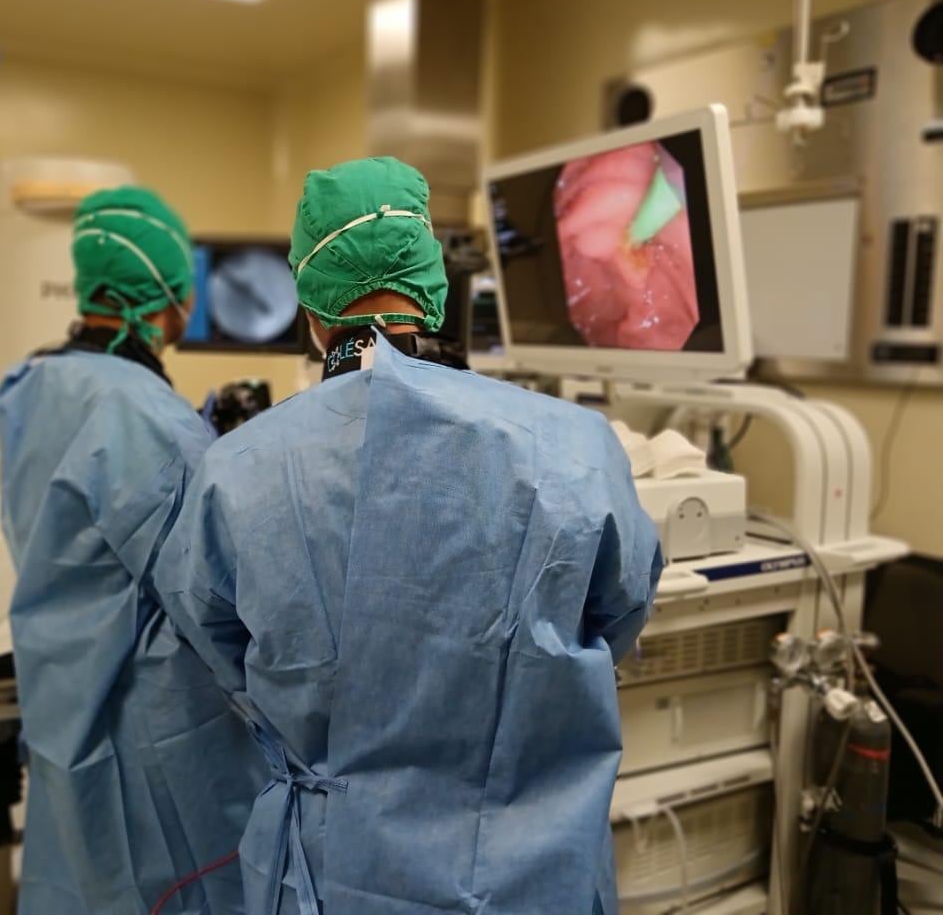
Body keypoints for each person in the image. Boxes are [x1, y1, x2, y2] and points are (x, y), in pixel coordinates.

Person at [155, 156, 663, 915]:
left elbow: (220, 641)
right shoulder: (574, 445)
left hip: (335, 875)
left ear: (312, 307)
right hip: (532, 871)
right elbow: (620, 610)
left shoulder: (237, 471)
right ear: (431, 284)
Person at [0, 186, 263, 914]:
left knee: (79, 876)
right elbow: (211, 594)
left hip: (61, 691)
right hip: (147, 725)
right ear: (169, 296)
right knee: (167, 884)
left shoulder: (32, 381)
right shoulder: (143, 414)